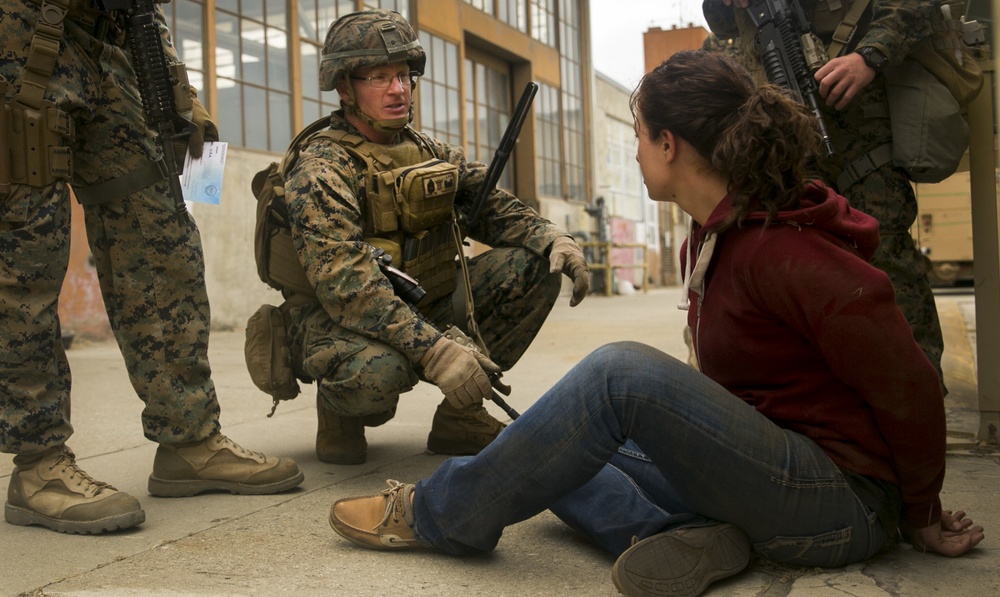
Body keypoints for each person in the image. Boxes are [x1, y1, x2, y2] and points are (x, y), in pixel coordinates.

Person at [326, 50, 984, 597]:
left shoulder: (790, 251)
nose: (635, 151)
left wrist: (921, 510)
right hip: (765, 468)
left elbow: (914, 388)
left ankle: (440, 515)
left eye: (639, 135)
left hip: (840, 502)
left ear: (670, 144)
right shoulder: (710, 236)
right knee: (545, 441)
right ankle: (665, 534)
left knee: (618, 375)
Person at [1, 0, 303, 535]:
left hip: (115, 33)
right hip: (20, 31)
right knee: (24, 261)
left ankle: (188, 439)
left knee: (162, 240)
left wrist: (175, 86)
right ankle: (38, 465)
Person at [278, 9, 589, 465]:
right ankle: (338, 409)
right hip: (340, 317)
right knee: (379, 375)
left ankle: (460, 417)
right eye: (378, 77)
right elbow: (349, 290)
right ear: (345, 87)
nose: (397, 89)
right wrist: (436, 350)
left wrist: (553, 238)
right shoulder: (322, 167)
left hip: (423, 298)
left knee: (536, 265)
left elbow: (494, 205)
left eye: (404, 75)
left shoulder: (428, 151)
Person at [701, 0, 948, 391]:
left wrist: (868, 57)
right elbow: (720, 20)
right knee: (799, 280)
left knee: (889, 271)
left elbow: (921, 6)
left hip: (861, 145)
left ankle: (922, 404)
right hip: (785, 147)